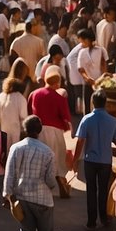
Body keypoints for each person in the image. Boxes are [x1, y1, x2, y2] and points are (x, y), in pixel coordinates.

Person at [4, 115, 57, 231]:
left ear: (24, 129)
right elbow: (50, 180)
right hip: (44, 201)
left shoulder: (16, 148)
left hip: (23, 198)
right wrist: (52, 185)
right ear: (40, 131)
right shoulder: (48, 152)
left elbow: (9, 174)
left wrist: (9, 196)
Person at [73, 89, 116, 231]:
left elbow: (80, 141)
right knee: (103, 190)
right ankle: (104, 218)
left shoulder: (86, 119)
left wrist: (75, 160)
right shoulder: (113, 121)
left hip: (90, 160)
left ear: (92, 103)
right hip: (106, 161)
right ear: (105, 103)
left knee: (91, 190)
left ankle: (91, 221)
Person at [29, 66, 72, 199]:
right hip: (55, 132)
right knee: (57, 161)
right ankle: (61, 185)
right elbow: (66, 118)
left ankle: (39, 191)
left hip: (38, 132)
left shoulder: (34, 94)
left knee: (41, 162)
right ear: (57, 83)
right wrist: (68, 130)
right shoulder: (59, 98)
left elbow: (29, 114)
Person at [0, 76, 28, 148]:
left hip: (3, 128)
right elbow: (23, 116)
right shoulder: (21, 98)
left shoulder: (1, 96)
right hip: (16, 130)